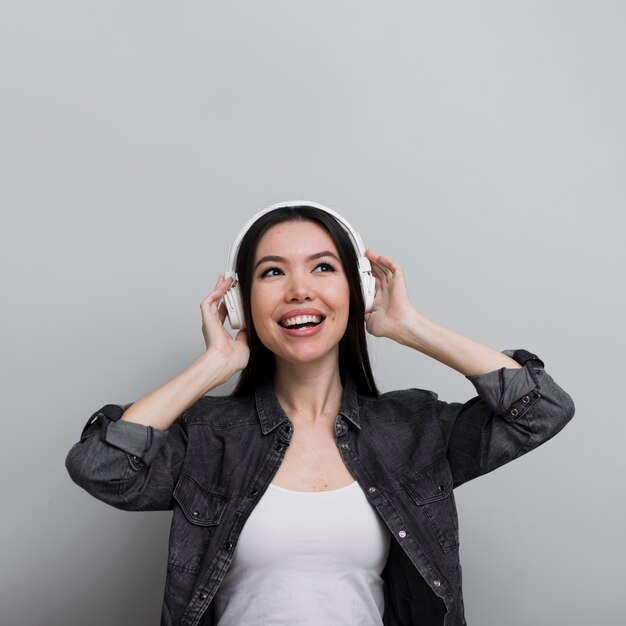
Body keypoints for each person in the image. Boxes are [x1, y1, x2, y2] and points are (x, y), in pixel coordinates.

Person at [66, 201, 575, 626]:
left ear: (359, 291)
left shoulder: (413, 429)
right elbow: (100, 467)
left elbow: (542, 409)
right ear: (243, 303)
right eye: (272, 272)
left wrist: (409, 326)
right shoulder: (206, 437)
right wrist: (214, 364)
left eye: (323, 267)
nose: (299, 290)